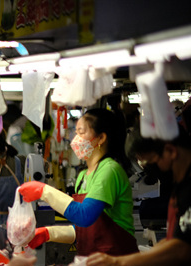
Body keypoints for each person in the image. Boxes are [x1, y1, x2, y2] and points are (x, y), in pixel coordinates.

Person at [87, 126, 191, 266]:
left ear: (170, 151)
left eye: (151, 162)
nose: (150, 170)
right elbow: (177, 237)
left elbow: (182, 248)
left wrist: (118, 263)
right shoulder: (179, 184)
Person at [19, 107, 138, 256]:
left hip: (118, 261)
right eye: (76, 132)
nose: (75, 138)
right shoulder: (83, 176)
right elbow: (87, 231)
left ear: (101, 138)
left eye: (81, 133)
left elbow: (84, 216)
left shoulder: (109, 170)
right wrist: (48, 233)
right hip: (94, 262)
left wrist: (44, 191)